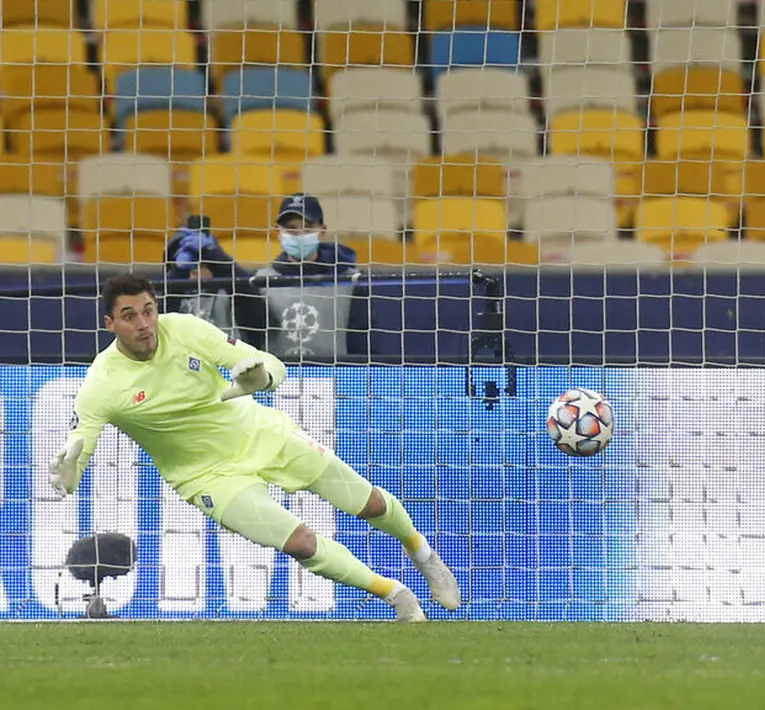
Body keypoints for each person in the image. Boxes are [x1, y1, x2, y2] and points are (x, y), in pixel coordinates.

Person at [48, 274, 459, 620]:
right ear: (109, 324)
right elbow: (78, 450)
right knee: (300, 543)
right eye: (129, 315)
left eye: (148, 310)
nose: (143, 323)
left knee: (367, 502)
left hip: (262, 432)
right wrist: (69, 475)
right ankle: (397, 596)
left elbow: (268, 364)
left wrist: (260, 379)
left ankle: (423, 556)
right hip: (207, 477)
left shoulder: (186, 329)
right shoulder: (102, 384)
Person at [174, 193, 371, 356]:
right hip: (275, 384)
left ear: (322, 231)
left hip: (338, 382)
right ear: (278, 232)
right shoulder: (262, 281)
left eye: (307, 226)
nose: (299, 234)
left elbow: (364, 347)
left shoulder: (351, 281)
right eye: (291, 228)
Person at [163, 215, 276, 351]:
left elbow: (259, 319)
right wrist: (178, 272)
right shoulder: (164, 299)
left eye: (203, 264)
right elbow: (158, 324)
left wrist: (213, 253)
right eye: (189, 264)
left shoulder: (233, 297)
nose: (195, 270)